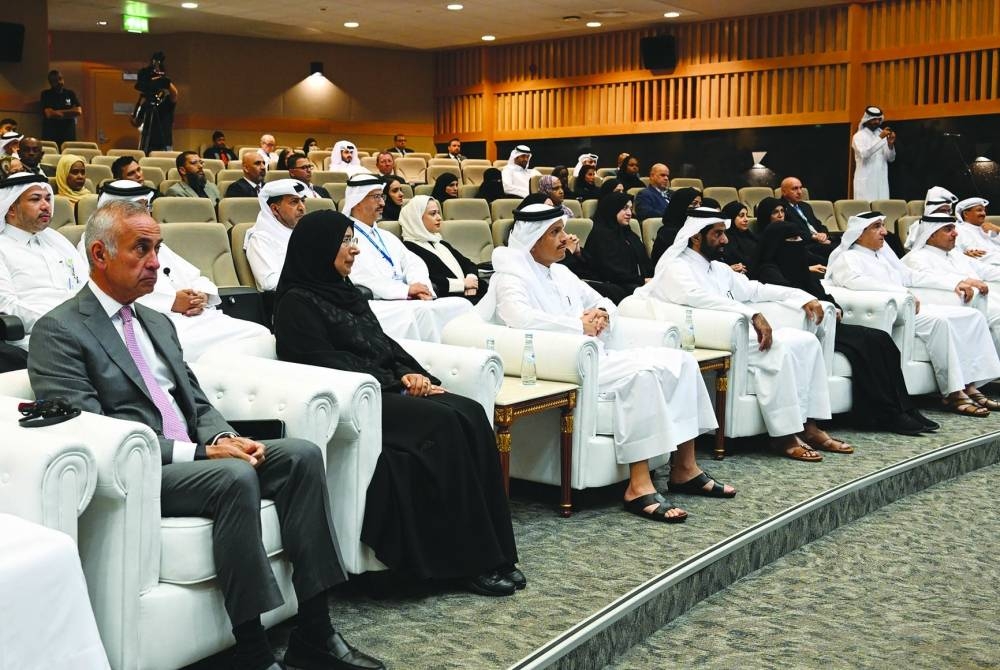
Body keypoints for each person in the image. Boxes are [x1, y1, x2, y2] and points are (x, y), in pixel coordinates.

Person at [29, 199, 385, 670]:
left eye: (158, 248)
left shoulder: (157, 321)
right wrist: (200, 454)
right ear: (99, 254)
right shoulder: (59, 331)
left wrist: (224, 439)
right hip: (141, 471)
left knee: (300, 455)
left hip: (197, 453)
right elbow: (90, 431)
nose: (155, 262)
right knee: (232, 477)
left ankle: (316, 632)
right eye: (141, 249)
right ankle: (253, 653)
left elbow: (195, 402)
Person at [272, 210, 521, 596]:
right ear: (319, 247)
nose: (354, 249)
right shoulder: (295, 303)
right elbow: (323, 363)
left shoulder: (346, 291)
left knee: (471, 412)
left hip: (386, 388)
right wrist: (397, 383)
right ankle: (469, 563)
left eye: (353, 240)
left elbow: (383, 344)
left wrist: (413, 374)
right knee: (445, 425)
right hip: (357, 401)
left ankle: (498, 553)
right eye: (345, 241)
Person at [480, 203, 732, 522]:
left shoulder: (560, 272)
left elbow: (603, 301)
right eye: (555, 232)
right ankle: (638, 486)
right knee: (643, 375)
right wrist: (577, 325)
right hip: (561, 363)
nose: (565, 238)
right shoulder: (511, 276)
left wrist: (601, 314)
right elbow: (518, 317)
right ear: (532, 240)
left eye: (562, 230)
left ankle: (685, 468)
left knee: (683, 361)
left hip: (594, 354)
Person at [638, 208, 850, 462]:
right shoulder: (677, 267)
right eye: (718, 234)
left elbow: (754, 289)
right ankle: (783, 436)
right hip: (705, 333)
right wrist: (752, 314)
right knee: (778, 347)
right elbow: (697, 298)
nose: (725, 240)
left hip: (734, 328)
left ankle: (809, 426)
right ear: (696, 237)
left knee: (806, 341)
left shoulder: (717, 268)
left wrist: (801, 297)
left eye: (724, 233)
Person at [753, 220, 937, 435]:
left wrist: (835, 306)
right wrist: (821, 306)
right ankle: (886, 414)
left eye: (800, 238)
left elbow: (821, 292)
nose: (799, 243)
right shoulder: (767, 270)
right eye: (792, 239)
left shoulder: (799, 266)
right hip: (806, 327)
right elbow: (787, 294)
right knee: (866, 346)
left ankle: (904, 407)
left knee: (881, 339)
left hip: (829, 326)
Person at [826, 212, 1000, 416]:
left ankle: (970, 385)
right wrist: (902, 293)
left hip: (907, 307)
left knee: (972, 316)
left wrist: (956, 283)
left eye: (883, 226)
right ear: (859, 232)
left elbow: (911, 276)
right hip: (893, 312)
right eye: (877, 227)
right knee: (940, 322)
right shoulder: (848, 257)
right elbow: (857, 282)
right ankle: (953, 393)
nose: (884, 232)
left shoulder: (882, 254)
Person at [80, 180, 270, 361]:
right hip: (151, 322)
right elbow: (106, 295)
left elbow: (194, 275)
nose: (147, 214)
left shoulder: (151, 242)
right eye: (139, 208)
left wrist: (201, 295)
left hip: (193, 317)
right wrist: (172, 302)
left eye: (147, 207)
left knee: (259, 334)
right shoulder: (98, 247)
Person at [343, 173, 471, 339]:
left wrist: (420, 285)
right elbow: (359, 277)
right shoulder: (346, 236)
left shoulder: (385, 235)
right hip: (379, 303)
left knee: (461, 305)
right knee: (419, 316)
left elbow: (413, 262)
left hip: (407, 299)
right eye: (376, 197)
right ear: (358, 200)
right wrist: (405, 290)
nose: (382, 203)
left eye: (382, 197)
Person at [0, 172, 86, 349]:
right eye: (35, 199)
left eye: (47, 198)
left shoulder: (57, 240)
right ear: (11, 208)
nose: (46, 206)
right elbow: (7, 306)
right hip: (35, 340)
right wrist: (62, 322)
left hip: (85, 329)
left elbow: (85, 284)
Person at [902, 213, 1000, 356]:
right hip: (958, 303)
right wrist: (964, 280)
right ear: (931, 234)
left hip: (984, 299)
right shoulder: (916, 258)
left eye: (954, 229)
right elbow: (929, 279)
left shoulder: (955, 254)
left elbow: (986, 270)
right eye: (948, 230)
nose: (955, 233)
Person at [400, 196, 485, 303]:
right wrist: (463, 284)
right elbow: (430, 280)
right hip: (449, 301)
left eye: (438, 213)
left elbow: (468, 264)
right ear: (417, 219)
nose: (439, 217)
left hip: (471, 294)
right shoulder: (409, 248)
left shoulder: (440, 242)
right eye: (433, 214)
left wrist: (471, 280)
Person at [583, 192, 652, 298]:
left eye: (630, 208)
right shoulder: (600, 235)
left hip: (637, 284)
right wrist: (642, 281)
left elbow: (645, 262)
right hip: (614, 289)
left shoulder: (629, 234)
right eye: (624, 208)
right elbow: (611, 272)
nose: (629, 213)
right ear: (612, 209)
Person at [245, 179, 308, 292]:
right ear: (274, 209)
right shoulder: (260, 238)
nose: (302, 207)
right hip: (286, 299)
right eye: (294, 202)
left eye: (303, 201)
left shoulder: (304, 232)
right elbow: (269, 282)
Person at [778, 176, 838, 259]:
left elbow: (818, 224)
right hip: (805, 245)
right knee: (836, 250)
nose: (799, 192)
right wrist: (814, 237)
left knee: (847, 244)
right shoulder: (780, 208)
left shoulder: (805, 206)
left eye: (800, 188)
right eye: (795, 189)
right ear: (784, 192)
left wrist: (824, 234)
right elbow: (790, 231)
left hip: (819, 241)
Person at [131, 53, 177, 153]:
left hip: (164, 144)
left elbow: (174, 94)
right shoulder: (146, 104)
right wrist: (133, 118)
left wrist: (165, 81)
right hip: (148, 144)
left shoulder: (166, 101)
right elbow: (138, 122)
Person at [649, 186, 702, 266]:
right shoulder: (667, 233)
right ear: (681, 205)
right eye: (694, 203)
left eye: (700, 204)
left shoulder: (698, 229)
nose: (698, 207)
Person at [851, 105, 896, 200]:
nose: (877, 122)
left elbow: (891, 158)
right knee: (865, 208)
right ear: (867, 120)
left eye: (879, 119)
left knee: (882, 207)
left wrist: (890, 144)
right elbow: (864, 154)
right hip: (865, 183)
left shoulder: (882, 134)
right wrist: (880, 138)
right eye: (874, 119)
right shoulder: (858, 136)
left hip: (881, 182)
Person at [40, 70, 82, 146]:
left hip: (68, 135)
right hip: (51, 135)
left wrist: (58, 112)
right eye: (55, 80)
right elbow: (49, 114)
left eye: (60, 79)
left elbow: (78, 111)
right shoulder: (46, 94)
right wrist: (70, 112)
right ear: (51, 82)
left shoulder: (70, 93)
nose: (59, 82)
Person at [721, 201, 756, 275]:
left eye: (747, 215)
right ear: (731, 217)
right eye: (741, 216)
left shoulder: (751, 236)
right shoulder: (725, 240)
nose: (746, 219)